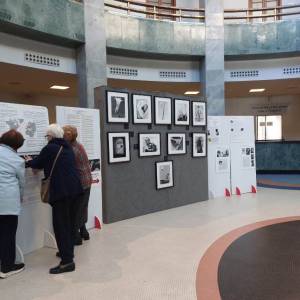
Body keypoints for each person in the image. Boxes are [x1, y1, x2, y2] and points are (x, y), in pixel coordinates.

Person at [26, 124, 82, 274]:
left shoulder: (50, 148)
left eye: (47, 136)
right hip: (75, 190)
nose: (47, 139)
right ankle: (67, 252)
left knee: (61, 225)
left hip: (62, 192)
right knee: (69, 224)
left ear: (50, 136)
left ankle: (67, 262)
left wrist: (28, 161)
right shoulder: (67, 147)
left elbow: (37, 163)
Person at [0, 130, 25, 279]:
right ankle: (7, 267)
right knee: (8, 234)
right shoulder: (17, 160)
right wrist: (20, 198)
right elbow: (21, 183)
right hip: (7, 201)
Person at [63, 125, 92, 244]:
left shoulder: (71, 150)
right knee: (82, 208)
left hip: (79, 183)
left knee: (75, 211)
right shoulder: (78, 145)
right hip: (87, 181)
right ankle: (84, 231)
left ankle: (76, 237)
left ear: (68, 136)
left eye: (63, 134)